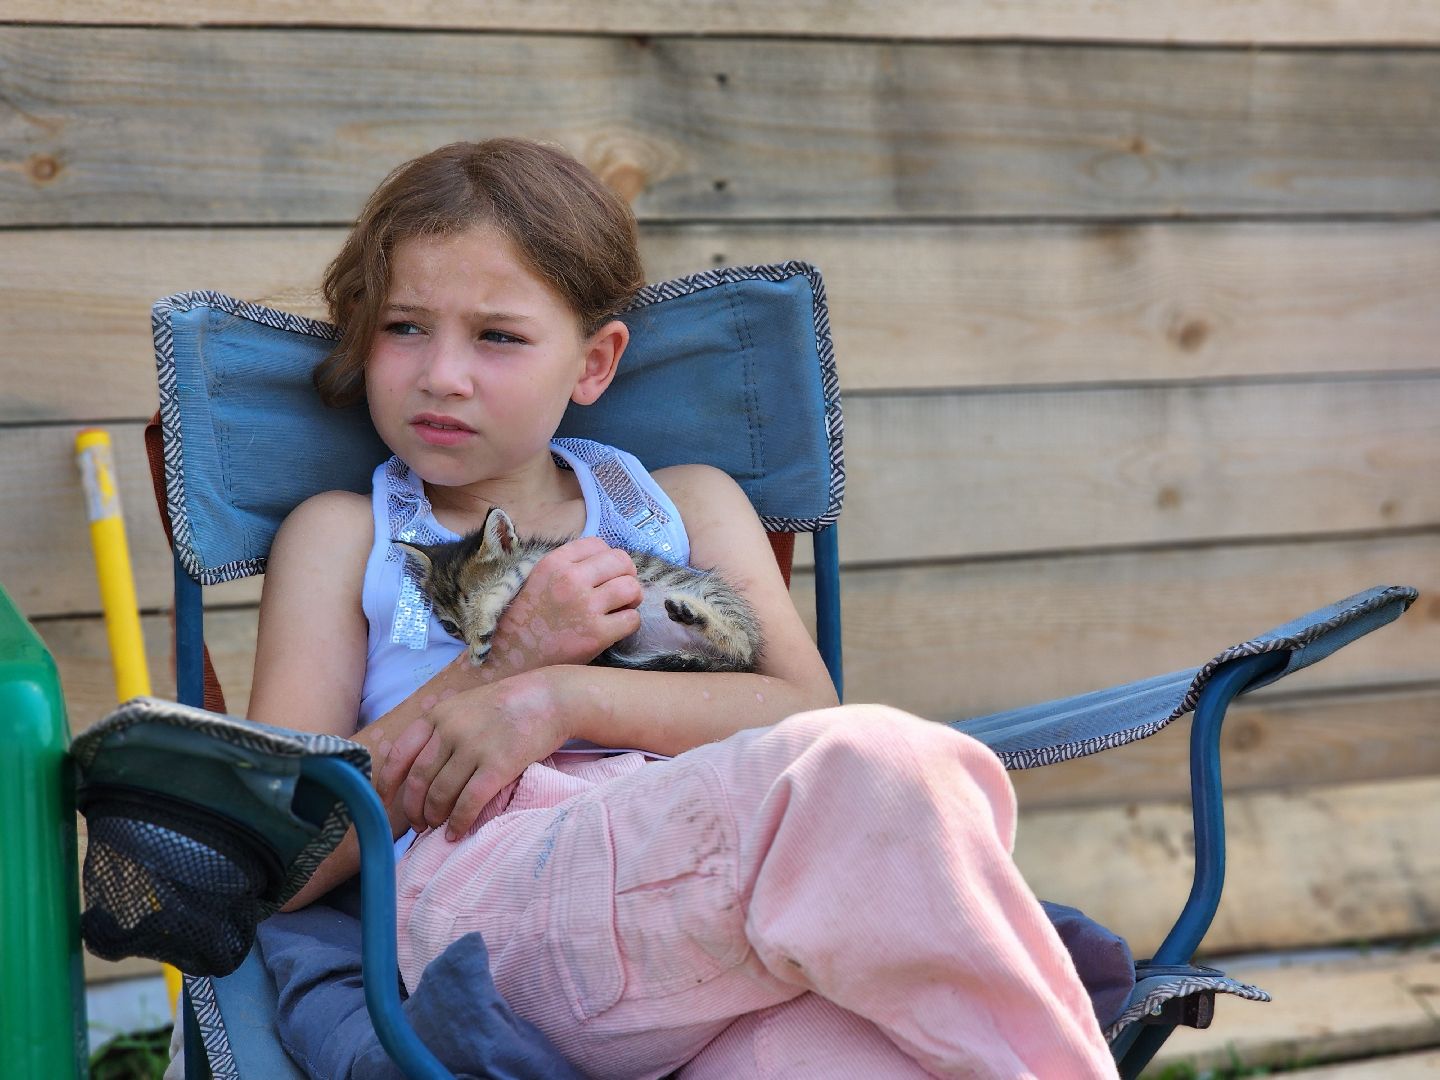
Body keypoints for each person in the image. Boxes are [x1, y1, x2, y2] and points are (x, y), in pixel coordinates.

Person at [248, 137, 1117, 1078]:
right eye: (404, 326)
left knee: (863, 1053)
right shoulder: (343, 538)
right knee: (893, 764)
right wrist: (502, 666)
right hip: (494, 896)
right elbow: (276, 847)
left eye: (498, 336)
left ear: (594, 362)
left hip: (715, 931)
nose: (442, 374)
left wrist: (564, 699)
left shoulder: (688, 504)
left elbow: (801, 712)